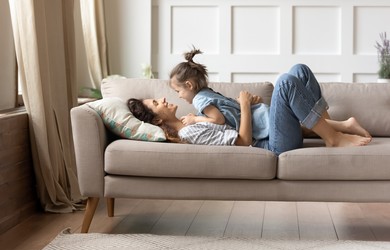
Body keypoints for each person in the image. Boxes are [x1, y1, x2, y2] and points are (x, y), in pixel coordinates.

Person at [128, 64, 371, 155]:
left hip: (270, 130)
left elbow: (225, 116)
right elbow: (243, 141)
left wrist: (248, 105)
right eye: (156, 104)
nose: (162, 98)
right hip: (270, 144)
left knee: (300, 71)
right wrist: (244, 105)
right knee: (286, 82)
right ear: (158, 121)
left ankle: (326, 130)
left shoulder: (193, 116)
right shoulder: (188, 133)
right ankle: (334, 138)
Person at [169, 47, 270, 142]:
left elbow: (218, 120)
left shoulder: (199, 100)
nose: (179, 96)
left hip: (261, 123)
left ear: (189, 85)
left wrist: (195, 119)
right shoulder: (207, 93)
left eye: (178, 91)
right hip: (262, 114)